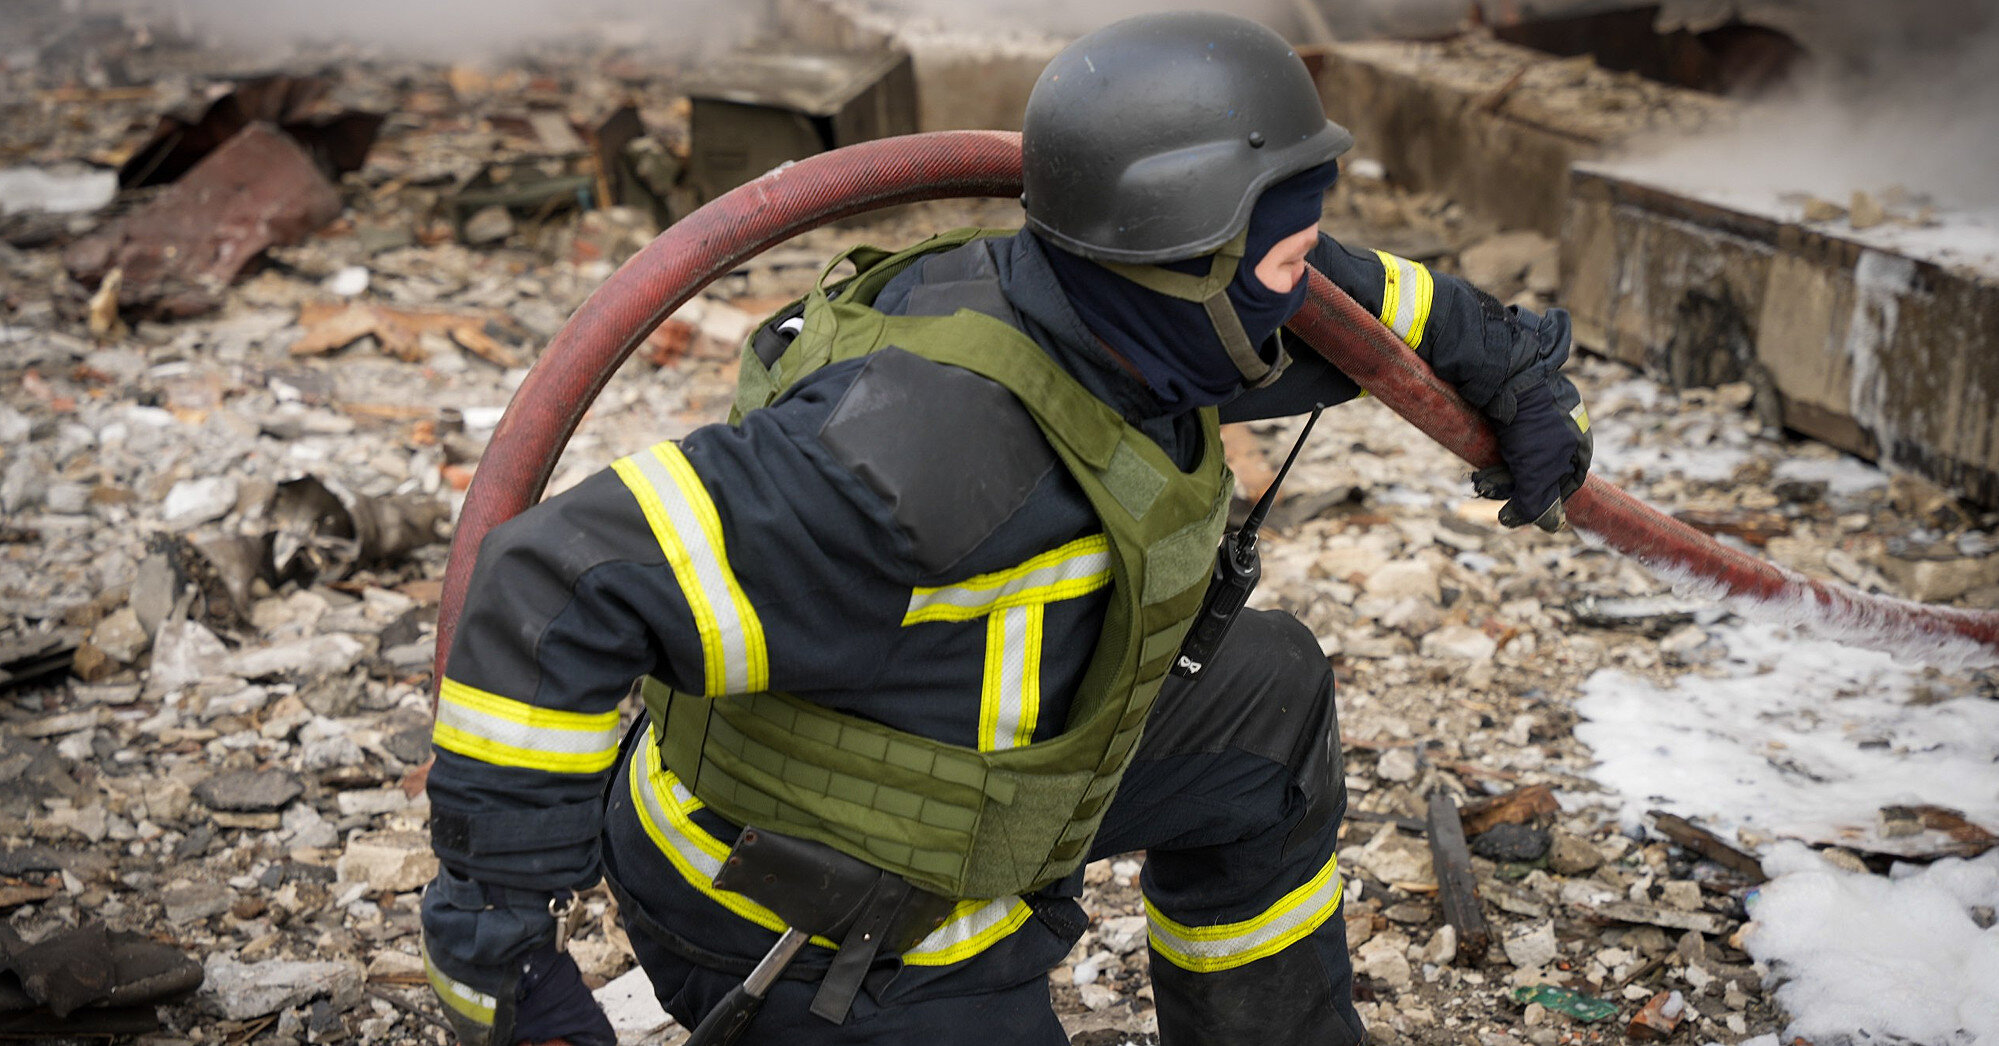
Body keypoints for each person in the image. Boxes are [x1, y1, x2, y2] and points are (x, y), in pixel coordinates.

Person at [417, 11, 1591, 1046]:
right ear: (1187, 263)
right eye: (1281, 258)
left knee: (1265, 695)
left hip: (978, 784)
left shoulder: (1120, 310)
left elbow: (1336, 291)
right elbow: (548, 589)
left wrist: (1497, 359)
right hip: (807, 924)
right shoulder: (915, 463)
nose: (1306, 291)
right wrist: (504, 953)